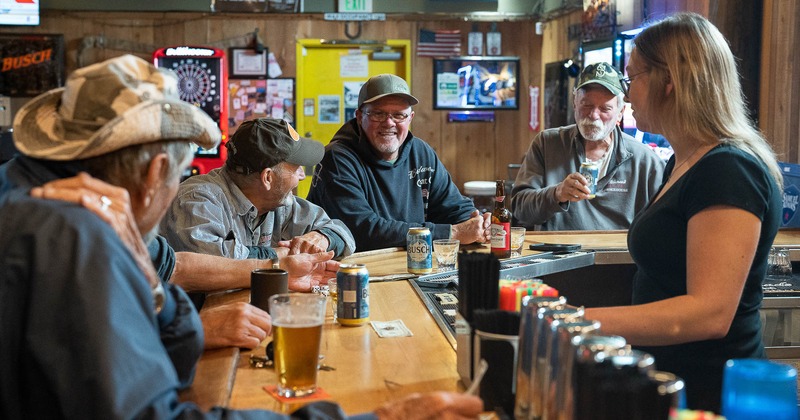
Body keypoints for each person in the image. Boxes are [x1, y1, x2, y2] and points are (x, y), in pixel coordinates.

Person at [0, 54, 482, 419]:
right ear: (157, 174)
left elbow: (166, 270)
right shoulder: (73, 232)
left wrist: (191, 326)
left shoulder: (66, 203)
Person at [583, 13, 782, 413]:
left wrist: (580, 320)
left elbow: (708, 313)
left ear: (669, 80)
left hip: (710, 391)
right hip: (673, 382)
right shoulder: (684, 161)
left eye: (632, 77)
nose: (627, 92)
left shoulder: (728, 168)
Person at [30, 172, 341, 350]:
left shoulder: (102, 214)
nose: (302, 174)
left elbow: (176, 267)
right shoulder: (73, 221)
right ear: (156, 170)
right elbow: (89, 351)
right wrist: (195, 328)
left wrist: (278, 270)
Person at [306, 73, 491, 251]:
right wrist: (455, 233)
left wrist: (479, 222)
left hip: (411, 260)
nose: (389, 122)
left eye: (399, 115)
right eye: (378, 114)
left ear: (410, 118)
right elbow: (363, 231)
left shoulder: (421, 152)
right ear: (360, 116)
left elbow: (452, 206)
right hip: (351, 270)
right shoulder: (337, 159)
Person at [160, 117, 356, 261]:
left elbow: (343, 232)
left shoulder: (280, 203)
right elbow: (212, 263)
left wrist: (322, 238)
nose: (302, 175)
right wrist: (282, 255)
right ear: (268, 177)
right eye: (296, 167)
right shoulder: (197, 200)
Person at [511, 62, 665, 230]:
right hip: (559, 254)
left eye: (605, 109)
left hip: (618, 255)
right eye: (587, 105)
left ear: (620, 112)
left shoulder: (645, 161)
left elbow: (662, 226)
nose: (593, 115)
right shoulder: (547, 144)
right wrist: (557, 194)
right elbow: (520, 210)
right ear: (574, 102)